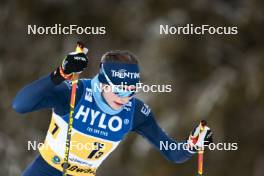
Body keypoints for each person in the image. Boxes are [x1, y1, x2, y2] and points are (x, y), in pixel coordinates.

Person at [12, 46, 213, 176]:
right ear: (103, 84)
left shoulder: (136, 112)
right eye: (118, 90)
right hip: (45, 170)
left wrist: (193, 145)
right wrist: (60, 74)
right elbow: (21, 105)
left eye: (131, 91)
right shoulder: (77, 92)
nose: (124, 98)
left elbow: (173, 154)